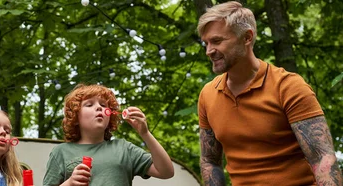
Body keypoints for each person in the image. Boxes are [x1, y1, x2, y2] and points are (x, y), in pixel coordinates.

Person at [197, 1, 342, 185]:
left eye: (217, 41)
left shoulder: (288, 86)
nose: (209, 51)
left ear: (247, 38)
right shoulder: (207, 95)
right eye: (206, 43)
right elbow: (210, 161)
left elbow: (323, 160)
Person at [42, 84, 174, 186]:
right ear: (75, 118)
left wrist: (145, 133)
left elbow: (166, 172)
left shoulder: (124, 149)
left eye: (103, 104)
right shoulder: (61, 152)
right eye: (89, 104)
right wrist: (69, 183)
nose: (99, 107)